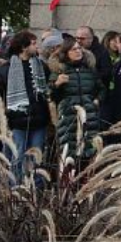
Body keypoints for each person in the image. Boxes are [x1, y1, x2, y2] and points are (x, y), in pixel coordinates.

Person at [0, 31, 51, 183]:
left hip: (39, 119)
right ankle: (17, 190)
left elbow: (46, 90)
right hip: (17, 120)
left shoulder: (41, 66)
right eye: (33, 43)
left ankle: (35, 191)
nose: (36, 46)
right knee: (18, 156)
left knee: (36, 158)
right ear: (23, 47)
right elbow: (0, 94)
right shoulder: (5, 69)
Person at [49, 38, 106, 166]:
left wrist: (97, 101)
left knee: (90, 151)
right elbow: (51, 95)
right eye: (73, 49)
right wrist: (57, 84)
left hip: (90, 116)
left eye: (79, 48)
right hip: (69, 118)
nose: (78, 51)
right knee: (70, 153)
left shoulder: (90, 70)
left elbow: (101, 89)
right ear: (66, 52)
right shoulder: (59, 71)